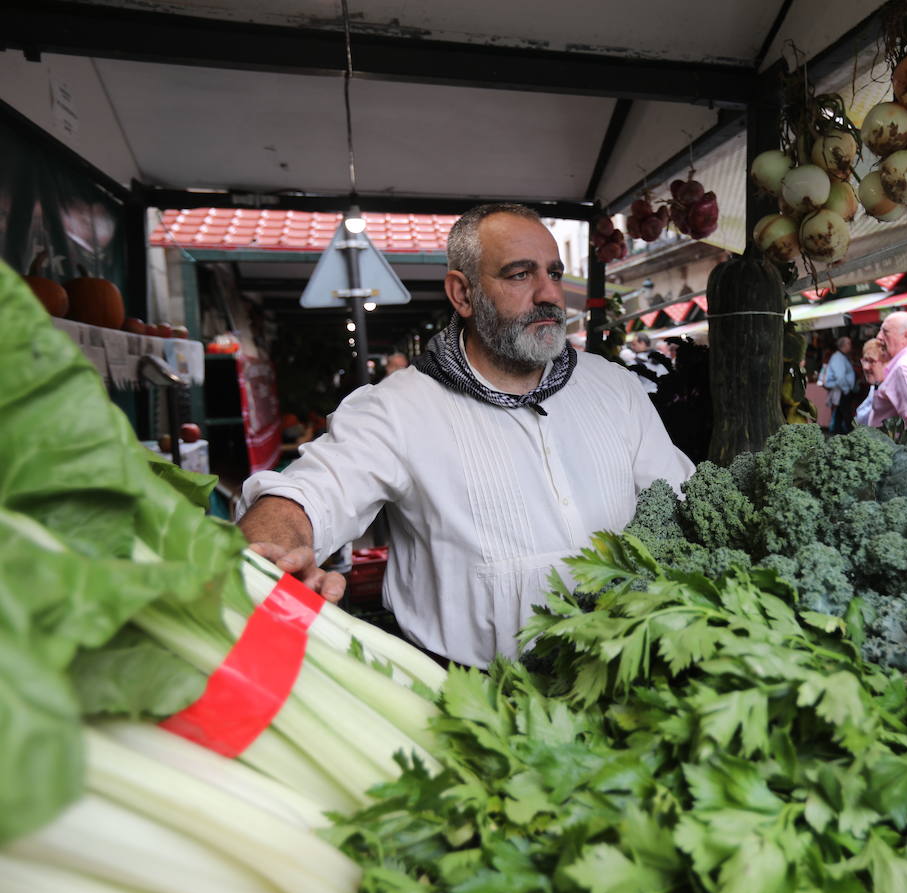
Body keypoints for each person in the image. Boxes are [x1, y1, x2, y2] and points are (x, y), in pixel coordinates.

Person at [236, 203, 694, 667]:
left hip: (625, 672)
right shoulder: (397, 409)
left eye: (554, 274)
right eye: (519, 275)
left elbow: (681, 503)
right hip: (468, 694)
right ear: (463, 293)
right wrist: (275, 549)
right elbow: (306, 496)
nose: (549, 294)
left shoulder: (614, 388)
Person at [820, 336, 857, 434]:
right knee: (845, 414)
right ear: (843, 345)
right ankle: (850, 433)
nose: (851, 345)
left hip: (842, 390)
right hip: (842, 390)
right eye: (849, 343)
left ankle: (838, 433)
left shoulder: (842, 357)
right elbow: (840, 377)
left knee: (840, 414)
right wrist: (846, 389)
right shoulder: (838, 357)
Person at [854, 337, 889, 428]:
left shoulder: (891, 390)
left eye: (871, 361)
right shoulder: (875, 387)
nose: (865, 367)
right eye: (865, 360)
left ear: (887, 363)